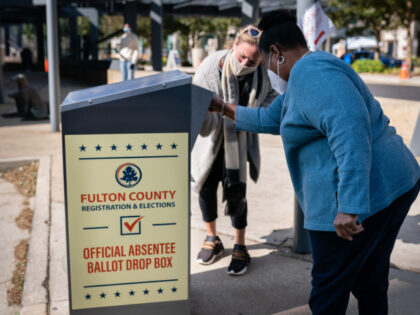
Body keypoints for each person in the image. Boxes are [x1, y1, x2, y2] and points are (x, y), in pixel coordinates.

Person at [209, 12, 420, 314]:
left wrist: (349, 206)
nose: (268, 71)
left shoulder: (315, 75)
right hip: (391, 184)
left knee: (328, 289)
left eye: (266, 63)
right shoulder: (305, 75)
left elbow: (351, 133)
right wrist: (223, 107)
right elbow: (272, 118)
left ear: (276, 53)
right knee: (368, 278)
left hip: (364, 196)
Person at [192, 25, 277, 275]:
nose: (246, 62)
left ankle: (240, 244)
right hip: (210, 139)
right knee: (206, 188)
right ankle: (212, 239)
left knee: (237, 191)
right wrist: (211, 112)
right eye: (242, 57)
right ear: (233, 47)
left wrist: (251, 116)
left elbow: (272, 99)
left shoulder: (263, 73)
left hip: (239, 142)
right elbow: (195, 104)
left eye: (253, 59)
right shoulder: (210, 66)